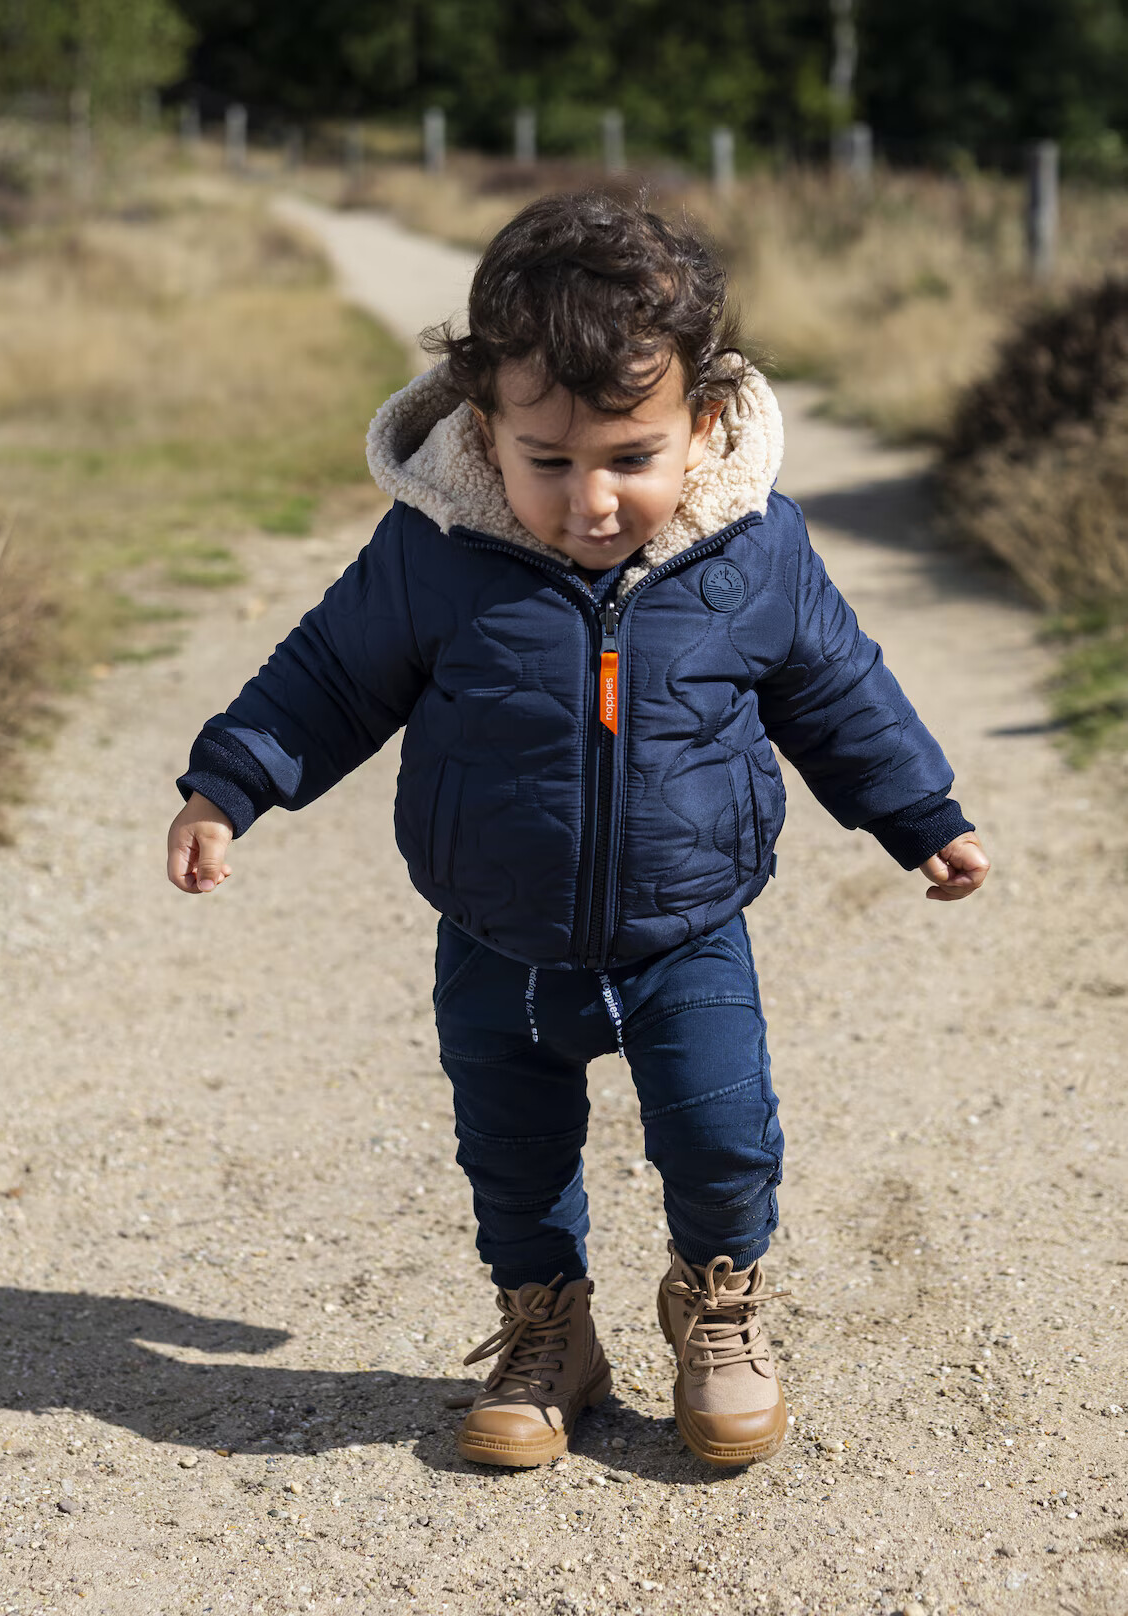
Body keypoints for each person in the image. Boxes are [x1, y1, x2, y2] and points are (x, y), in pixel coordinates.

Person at [166, 190, 989, 1472]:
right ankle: (548, 1327)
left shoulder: (750, 550)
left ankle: (713, 1303)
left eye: (628, 458)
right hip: (497, 927)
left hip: (686, 927)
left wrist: (918, 812)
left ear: (701, 425)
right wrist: (231, 784)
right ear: (481, 423)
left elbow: (838, 689)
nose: (590, 500)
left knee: (722, 1134)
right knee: (511, 1152)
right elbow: (327, 679)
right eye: (545, 460)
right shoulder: (436, 551)